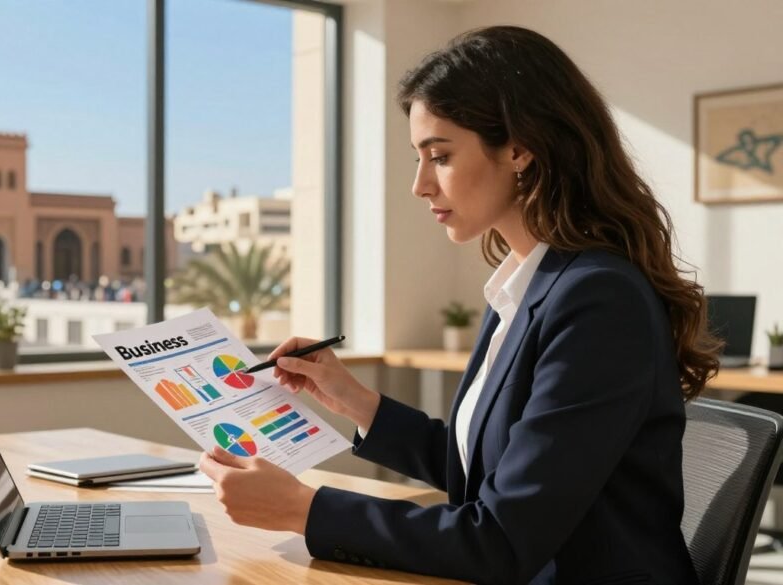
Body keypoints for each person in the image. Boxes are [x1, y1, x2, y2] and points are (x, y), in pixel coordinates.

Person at [198, 26, 721, 584]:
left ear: (520, 149)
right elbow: (482, 470)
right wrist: (353, 400)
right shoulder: (523, 287)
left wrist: (302, 509)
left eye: (439, 156)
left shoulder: (598, 300)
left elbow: (499, 540)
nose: (420, 185)